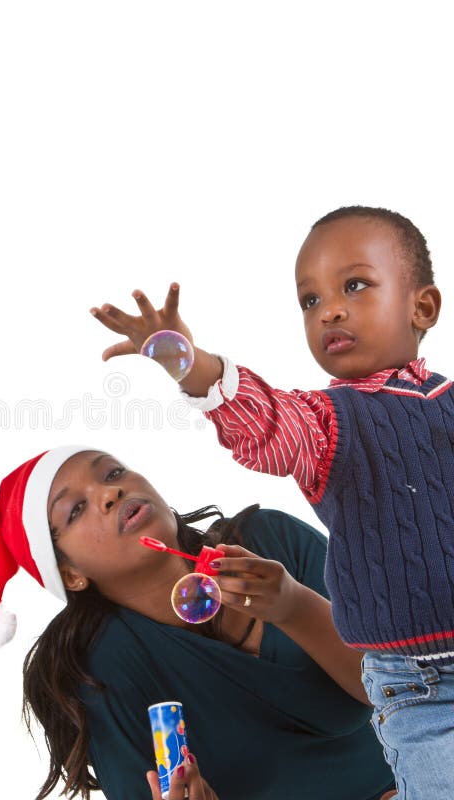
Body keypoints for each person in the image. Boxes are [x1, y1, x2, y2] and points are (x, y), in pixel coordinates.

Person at [90, 206, 454, 799]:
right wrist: (186, 361)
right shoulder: (326, 423)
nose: (329, 310)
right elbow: (262, 422)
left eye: (354, 286)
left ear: (423, 307)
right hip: (422, 690)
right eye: (310, 302)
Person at [0, 445, 396, 800]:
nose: (110, 492)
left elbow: (410, 684)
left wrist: (294, 606)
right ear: (71, 575)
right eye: (76, 510)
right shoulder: (101, 670)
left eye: (112, 472)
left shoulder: (272, 542)